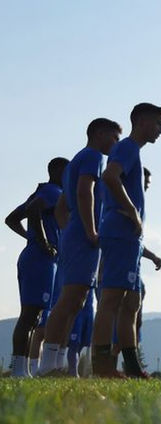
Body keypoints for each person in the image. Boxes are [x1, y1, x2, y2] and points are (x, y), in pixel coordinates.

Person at [39, 118, 122, 375]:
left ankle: (59, 363)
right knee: (69, 299)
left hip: (76, 234)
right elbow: (85, 192)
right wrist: (89, 229)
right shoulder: (93, 157)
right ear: (99, 133)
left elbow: (63, 205)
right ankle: (47, 364)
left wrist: (69, 229)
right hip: (84, 234)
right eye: (114, 136)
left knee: (77, 300)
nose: (116, 143)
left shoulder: (78, 159)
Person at [92, 103, 161, 378]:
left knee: (131, 303)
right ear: (143, 122)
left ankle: (133, 369)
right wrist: (133, 212)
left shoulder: (134, 152)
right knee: (111, 299)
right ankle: (102, 366)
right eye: (158, 124)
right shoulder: (127, 148)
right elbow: (110, 176)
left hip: (131, 239)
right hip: (120, 233)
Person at [5, 157, 68, 377]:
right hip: (40, 259)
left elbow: (12, 219)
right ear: (59, 171)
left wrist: (30, 237)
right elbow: (33, 210)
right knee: (30, 314)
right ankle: (18, 369)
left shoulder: (43, 192)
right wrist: (41, 241)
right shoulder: (52, 192)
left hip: (37, 257)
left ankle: (22, 369)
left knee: (35, 315)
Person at [67, 287, 95, 377]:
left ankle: (74, 370)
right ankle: (73, 372)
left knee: (82, 343)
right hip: (78, 302)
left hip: (89, 304)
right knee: (74, 343)